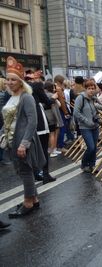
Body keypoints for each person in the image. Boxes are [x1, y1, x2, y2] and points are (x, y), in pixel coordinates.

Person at [1, 56, 46, 218]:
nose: (10, 82)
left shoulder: (26, 97)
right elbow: (7, 121)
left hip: (23, 142)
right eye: (8, 79)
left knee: (25, 172)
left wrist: (24, 144)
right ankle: (34, 199)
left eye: (13, 80)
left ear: (21, 81)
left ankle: (28, 202)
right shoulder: (11, 97)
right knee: (22, 171)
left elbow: (32, 122)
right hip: (12, 141)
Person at [73, 80, 102, 173]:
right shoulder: (81, 98)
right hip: (85, 127)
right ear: (85, 89)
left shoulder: (93, 99)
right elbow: (76, 113)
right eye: (89, 88)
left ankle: (92, 165)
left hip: (95, 127)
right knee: (91, 147)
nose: (91, 90)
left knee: (94, 148)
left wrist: (98, 101)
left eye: (93, 88)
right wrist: (87, 121)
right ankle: (84, 164)